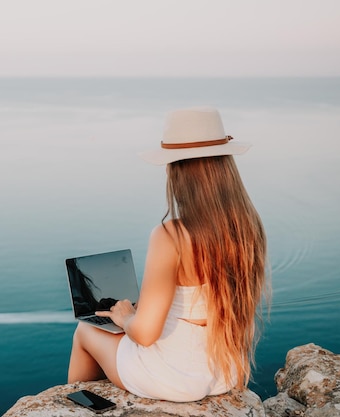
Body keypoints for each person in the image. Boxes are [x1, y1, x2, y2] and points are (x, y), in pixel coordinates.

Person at [67, 107, 269, 402]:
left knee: (85, 333)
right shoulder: (247, 227)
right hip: (224, 374)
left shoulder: (170, 235)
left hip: (172, 379)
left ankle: (77, 404)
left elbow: (146, 334)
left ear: (176, 170)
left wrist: (126, 318)